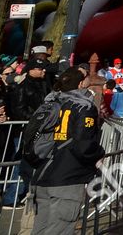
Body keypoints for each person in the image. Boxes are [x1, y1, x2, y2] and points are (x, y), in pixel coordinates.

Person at [27, 67, 105, 235]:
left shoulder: (51, 102)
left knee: (40, 229)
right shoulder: (83, 107)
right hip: (67, 179)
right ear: (80, 83)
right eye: (86, 77)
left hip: (42, 174)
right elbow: (84, 146)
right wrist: (99, 153)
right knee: (60, 230)